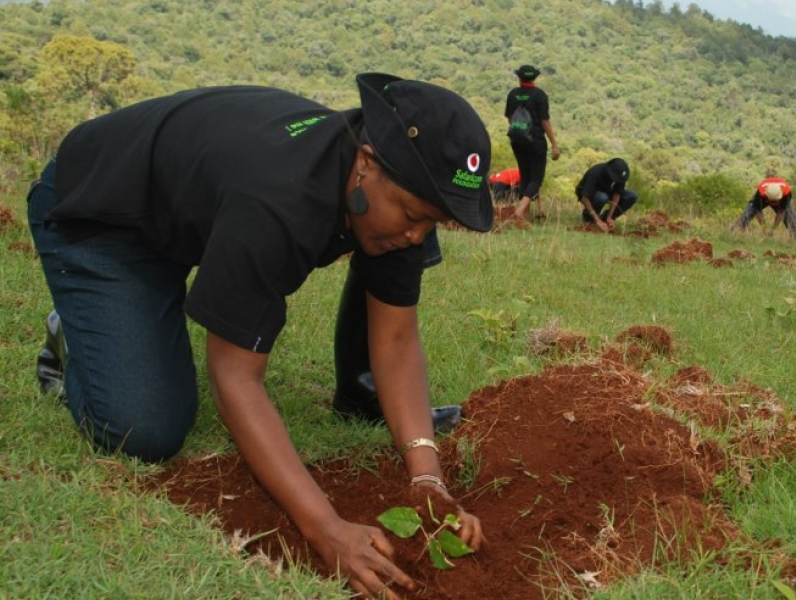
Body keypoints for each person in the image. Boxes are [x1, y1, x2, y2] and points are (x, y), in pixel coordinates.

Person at [26, 73, 487, 598]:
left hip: (190, 215)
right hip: (99, 211)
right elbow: (234, 379)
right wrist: (326, 529)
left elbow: (397, 340)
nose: (415, 236)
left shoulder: (391, 200)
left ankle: (131, 318)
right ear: (365, 161)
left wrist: (427, 479)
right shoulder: (280, 198)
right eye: (410, 215)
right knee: (145, 430)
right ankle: (81, 333)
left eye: (432, 224)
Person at [504, 64, 560, 222]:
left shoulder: (513, 94)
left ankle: (525, 217)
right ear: (534, 78)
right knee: (536, 179)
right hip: (535, 141)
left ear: (519, 77)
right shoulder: (539, 95)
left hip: (517, 140)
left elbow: (509, 118)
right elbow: (545, 121)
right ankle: (520, 211)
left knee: (525, 176)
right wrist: (554, 145)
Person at [731, 174, 796, 236]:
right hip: (764, 198)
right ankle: (734, 232)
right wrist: (764, 230)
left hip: (781, 199)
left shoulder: (786, 193)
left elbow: (781, 213)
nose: (773, 202)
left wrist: (773, 230)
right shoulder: (760, 193)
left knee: (790, 216)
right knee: (749, 211)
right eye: (772, 200)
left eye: (775, 200)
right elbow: (758, 211)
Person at [577, 158, 637, 233]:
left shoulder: (620, 176)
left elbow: (617, 194)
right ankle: (589, 218)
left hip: (606, 192)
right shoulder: (595, 172)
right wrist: (597, 220)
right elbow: (584, 198)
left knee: (632, 196)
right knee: (602, 197)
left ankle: (605, 219)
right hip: (590, 194)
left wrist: (609, 216)